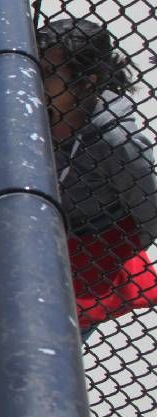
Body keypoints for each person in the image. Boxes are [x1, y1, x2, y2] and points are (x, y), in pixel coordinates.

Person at [36, 19, 156, 331]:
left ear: (87, 81)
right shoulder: (34, 111)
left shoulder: (115, 139)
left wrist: (107, 248)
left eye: (48, 72)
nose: (34, 77)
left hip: (84, 263)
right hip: (37, 246)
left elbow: (149, 209)